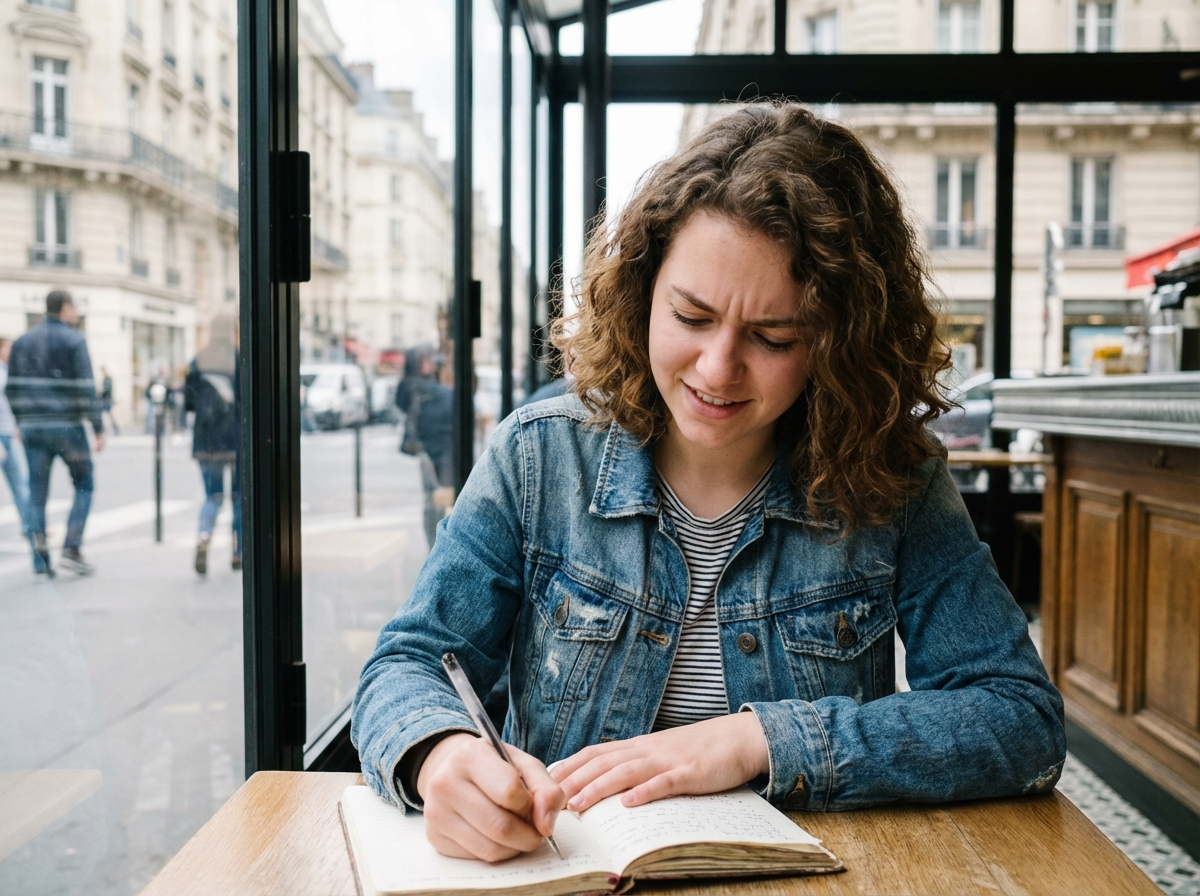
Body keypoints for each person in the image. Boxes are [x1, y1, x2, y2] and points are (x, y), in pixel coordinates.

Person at [352, 104, 1065, 863]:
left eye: (774, 337)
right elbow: (407, 665)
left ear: (839, 341)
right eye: (691, 316)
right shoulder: (538, 459)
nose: (717, 370)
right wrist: (440, 756)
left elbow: (1020, 719)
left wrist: (761, 738)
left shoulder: (892, 479)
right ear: (642, 293)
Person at [5, 290, 105, 576]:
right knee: (84, 484)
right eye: (73, 306)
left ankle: (39, 553)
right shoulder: (74, 339)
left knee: (37, 492)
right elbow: (85, 386)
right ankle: (71, 548)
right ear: (64, 308)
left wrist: (21, 421)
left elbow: (12, 387)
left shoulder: (23, 341)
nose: (74, 312)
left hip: (34, 426)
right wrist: (97, 427)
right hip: (67, 426)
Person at [184, 313, 241, 574]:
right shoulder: (239, 358)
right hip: (235, 441)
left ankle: (204, 536)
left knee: (212, 497)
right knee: (240, 498)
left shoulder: (198, 361)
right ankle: (238, 550)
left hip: (205, 442)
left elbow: (188, 403)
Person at [395, 345, 454, 548]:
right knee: (435, 500)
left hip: (438, 446)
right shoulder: (418, 387)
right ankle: (435, 546)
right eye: (425, 361)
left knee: (439, 499)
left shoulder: (426, 386)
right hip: (430, 448)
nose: (430, 364)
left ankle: (436, 545)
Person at [0, 336, 42, 574]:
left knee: (21, 489)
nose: (11, 352)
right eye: (8, 348)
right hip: (1, 438)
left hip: (6, 435)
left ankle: (33, 536)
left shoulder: (7, 370)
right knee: (21, 489)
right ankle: (34, 538)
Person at [98, 365, 120, 435]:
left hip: (106, 400)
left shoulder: (107, 378)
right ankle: (110, 428)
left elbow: (106, 389)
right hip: (106, 399)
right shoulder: (106, 378)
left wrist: (100, 394)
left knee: (107, 414)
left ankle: (112, 428)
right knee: (107, 414)